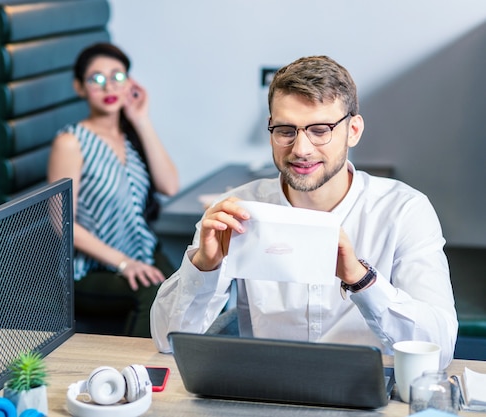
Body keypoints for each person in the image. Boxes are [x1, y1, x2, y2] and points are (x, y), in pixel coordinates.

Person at [150, 55, 458, 367]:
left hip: (369, 399)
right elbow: (167, 340)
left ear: (353, 130)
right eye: (285, 130)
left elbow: (440, 348)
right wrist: (204, 267)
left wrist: (360, 278)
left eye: (320, 130)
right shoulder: (237, 210)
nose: (301, 149)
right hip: (267, 394)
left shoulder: (403, 210)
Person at [48, 42, 179, 337]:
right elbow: (62, 224)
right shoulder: (71, 142)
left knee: (190, 288)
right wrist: (123, 263)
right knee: (155, 295)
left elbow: (169, 185)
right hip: (90, 268)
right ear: (80, 88)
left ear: (130, 84)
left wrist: (141, 119)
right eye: (96, 79)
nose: (109, 86)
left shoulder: (128, 135)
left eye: (117, 76)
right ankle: (136, 376)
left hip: (140, 248)